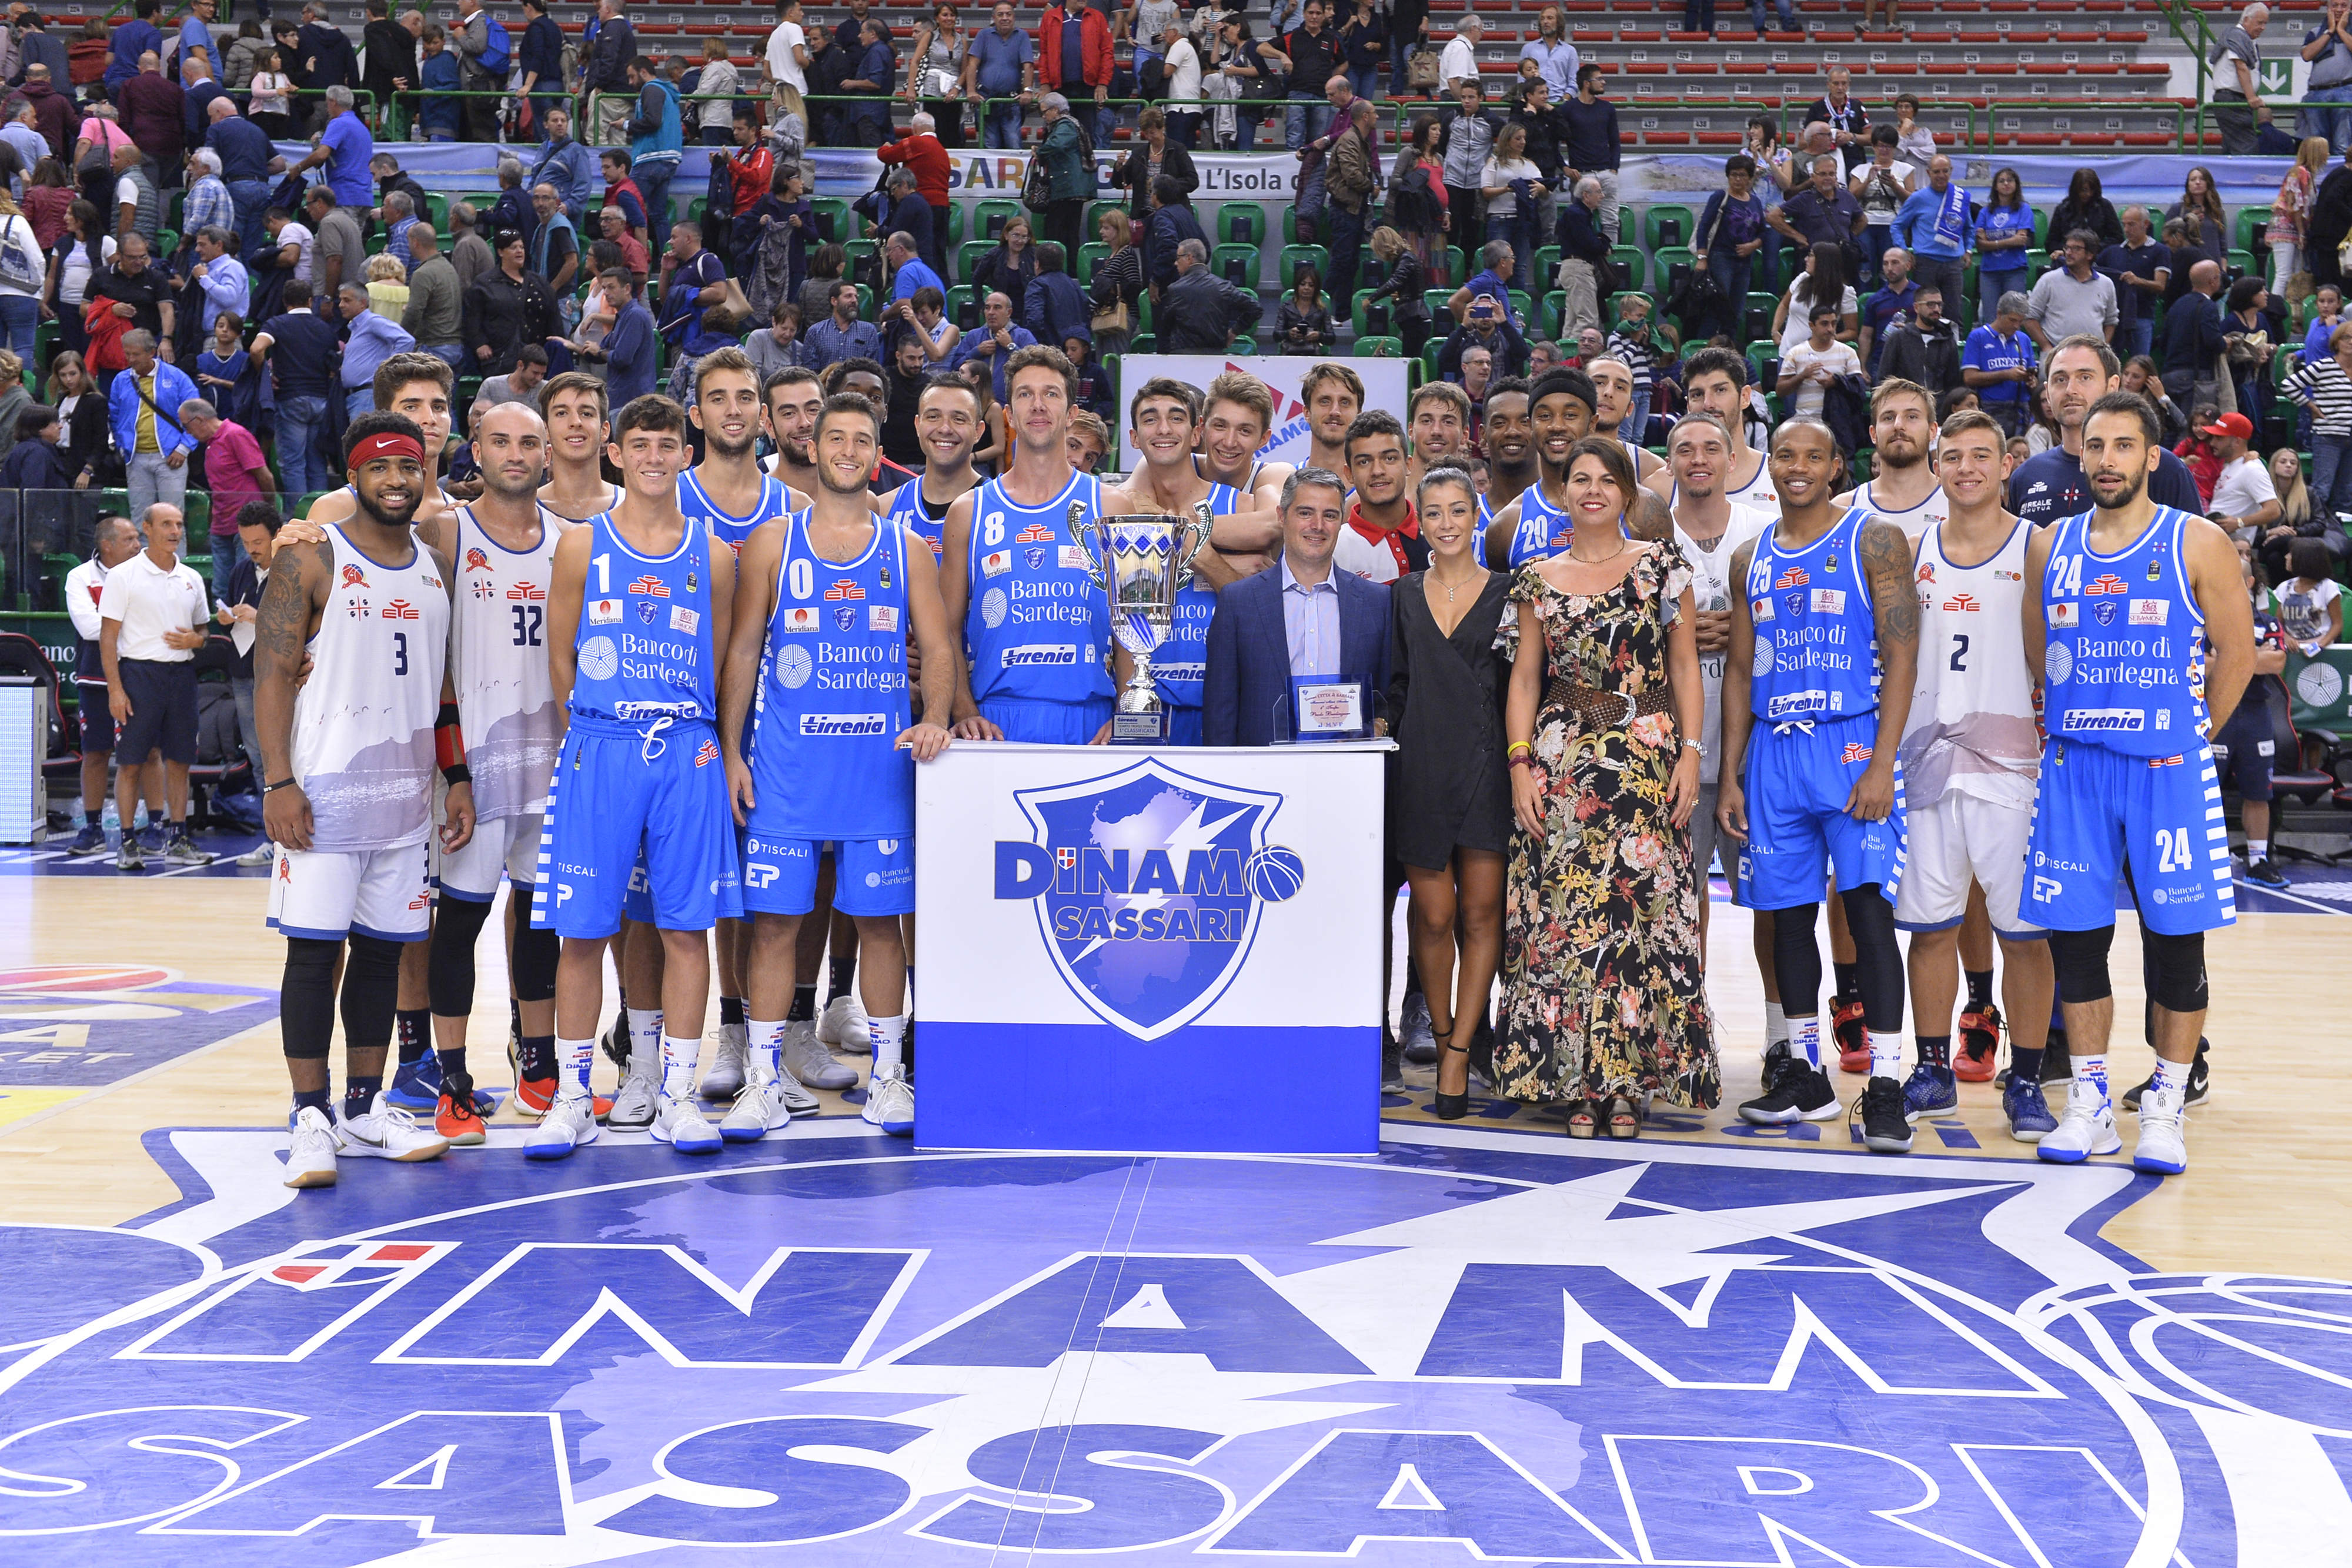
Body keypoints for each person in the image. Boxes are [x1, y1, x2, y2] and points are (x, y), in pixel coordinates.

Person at [2023, 393, 2254, 1175]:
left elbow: (2238, 656)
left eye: (2125, 445)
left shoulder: (2199, 540)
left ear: (2153, 457)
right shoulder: (2050, 543)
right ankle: (2087, 1101)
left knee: (2175, 948)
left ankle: (2165, 1099)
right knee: (2078, 945)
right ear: (2079, 453)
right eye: (2096, 445)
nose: (2108, 459)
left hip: (2165, 772)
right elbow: (2038, 647)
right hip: (2076, 768)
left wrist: (2191, 740)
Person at [720, 389, 953, 1141]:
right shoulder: (772, 542)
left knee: (882, 926)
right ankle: (762, 1080)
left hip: (875, 775)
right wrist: (730, 751)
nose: (848, 451)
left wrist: (936, 720)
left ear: (875, 452)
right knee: (775, 928)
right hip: (787, 773)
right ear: (811, 449)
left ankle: (888, 1080)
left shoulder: (906, 545)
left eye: (862, 440)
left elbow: (939, 647)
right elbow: (745, 652)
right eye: (836, 439)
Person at [527, 394, 739, 1161]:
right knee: (583, 932)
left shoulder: (713, 556)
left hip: (685, 749)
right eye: (640, 443)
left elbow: (719, 662)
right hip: (601, 745)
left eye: (667, 444)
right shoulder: (584, 545)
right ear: (616, 453)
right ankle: (575, 1095)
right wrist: (587, 730)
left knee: (685, 927)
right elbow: (560, 653)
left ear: (688, 454)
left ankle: (678, 1094)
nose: (654, 456)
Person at [254, 416, 458, 1186]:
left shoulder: (437, 564)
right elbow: (271, 676)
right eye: (381, 468)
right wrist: (279, 781)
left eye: (410, 465)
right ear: (355, 473)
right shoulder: (310, 556)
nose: (397, 479)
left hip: (407, 808)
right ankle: (310, 1114)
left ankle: (366, 1105)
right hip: (322, 802)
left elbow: (441, 687)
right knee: (313, 955)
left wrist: (457, 776)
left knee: (379, 956)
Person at [1495, 434, 1714, 1136]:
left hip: (1646, 770)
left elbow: (1684, 668)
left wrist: (1690, 756)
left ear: (1628, 493)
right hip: (1560, 778)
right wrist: (1520, 764)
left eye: (1605, 479)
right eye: (1578, 478)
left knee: (1638, 925)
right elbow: (1525, 678)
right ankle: (1579, 1084)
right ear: (1561, 493)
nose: (1591, 489)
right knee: (1564, 927)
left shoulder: (1660, 567)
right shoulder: (1533, 577)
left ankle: (1628, 1084)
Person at [1718, 419, 1917, 1148]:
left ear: (1837, 465)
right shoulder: (1750, 558)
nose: (1797, 468)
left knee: (1865, 913)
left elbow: (1902, 657)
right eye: (1785, 456)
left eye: (1812, 456)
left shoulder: (1873, 539)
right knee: (1786, 916)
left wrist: (1879, 762)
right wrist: (1733, 776)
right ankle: (1806, 1075)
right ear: (1770, 466)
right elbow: (1739, 671)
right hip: (1775, 751)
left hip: (1851, 740)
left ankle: (1887, 1085)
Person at [1879, 409, 2059, 1138]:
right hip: (1928, 764)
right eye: (1951, 457)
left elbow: (2052, 661)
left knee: (2023, 934)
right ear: (1935, 465)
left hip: (2013, 767)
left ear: (2006, 463)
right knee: (1928, 928)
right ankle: (1932, 1069)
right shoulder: (1910, 552)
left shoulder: (2036, 546)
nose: (1965, 469)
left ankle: (2026, 1077)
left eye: (1980, 456)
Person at [1381, 460, 1508, 1117]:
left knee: (1482, 914)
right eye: (1434, 512)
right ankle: (1442, 1026)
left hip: (1488, 772)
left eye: (1458, 510)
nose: (1447, 523)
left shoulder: (1510, 592)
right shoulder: (1400, 596)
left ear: (1475, 512)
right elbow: (1394, 688)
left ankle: (1460, 1049)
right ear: (1418, 519)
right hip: (1422, 771)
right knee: (1432, 914)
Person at [937, 345, 1135, 743]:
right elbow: (945, 631)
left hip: (1092, 722)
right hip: (994, 722)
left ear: (1072, 413)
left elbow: (1132, 628)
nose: (1038, 405)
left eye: (1051, 393)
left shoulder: (1110, 506)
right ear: (1009, 414)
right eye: (1025, 394)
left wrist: (1129, 714)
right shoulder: (969, 511)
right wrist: (963, 710)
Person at [213, 500, 281, 866]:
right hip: (243, 673)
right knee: (257, 757)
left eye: (258, 541)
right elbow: (228, 608)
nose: (252, 548)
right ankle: (271, 836)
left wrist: (261, 616)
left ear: (276, 535)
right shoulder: (242, 570)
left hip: (281, 675)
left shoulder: (291, 568)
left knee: (285, 752)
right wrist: (226, 617)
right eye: (246, 541)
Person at [108, 327, 196, 520]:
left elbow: (197, 416)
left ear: (152, 352)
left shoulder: (177, 377)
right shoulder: (121, 380)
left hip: (170, 457)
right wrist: (123, 447)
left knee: (172, 519)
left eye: (136, 354)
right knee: (140, 519)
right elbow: (114, 417)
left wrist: (184, 448)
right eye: (127, 354)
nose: (130, 359)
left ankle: (176, 552)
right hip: (136, 459)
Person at [1694, 153, 1768, 345]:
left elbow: (1763, 233)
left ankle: (1729, 351)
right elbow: (1704, 228)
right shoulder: (1720, 197)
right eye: (1734, 175)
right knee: (1717, 308)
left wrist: (1753, 246)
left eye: (1742, 175)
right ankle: (1703, 347)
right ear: (1728, 176)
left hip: (1745, 262)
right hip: (1721, 258)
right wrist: (1702, 257)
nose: (1738, 179)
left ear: (1750, 178)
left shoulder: (1755, 201)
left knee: (1736, 311)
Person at [1892, 155, 1971, 331]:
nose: (1941, 175)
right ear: (1928, 173)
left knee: (1953, 313)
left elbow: (1969, 229)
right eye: (1936, 172)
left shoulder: (1960, 197)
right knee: (1925, 313)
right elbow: (1897, 226)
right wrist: (1904, 251)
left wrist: (1969, 250)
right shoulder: (1917, 198)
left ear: (1951, 171)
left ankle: (1953, 353)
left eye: (1945, 171)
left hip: (1953, 264)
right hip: (1926, 263)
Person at [1157, 236, 1261, 352]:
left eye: (1178, 258)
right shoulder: (1224, 287)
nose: (1176, 263)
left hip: (1183, 358)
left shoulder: (1175, 290)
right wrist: (1235, 331)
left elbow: (1164, 330)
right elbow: (1255, 308)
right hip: (1215, 357)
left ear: (1189, 258)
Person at [2099, 206, 2171, 363]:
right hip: (2113, 318)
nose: (2126, 229)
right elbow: (2089, 268)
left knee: (2140, 364)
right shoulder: (2112, 252)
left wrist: (2137, 281)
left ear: (2145, 224)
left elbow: (2161, 286)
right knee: (2107, 362)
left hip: (2142, 316)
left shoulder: (2160, 251)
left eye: (2131, 224)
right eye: (2124, 224)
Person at [1962, 290, 2037, 437]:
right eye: (2012, 320)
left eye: (2020, 322)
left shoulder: (2024, 339)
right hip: (1991, 407)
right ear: (1999, 314)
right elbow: (1969, 378)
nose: (2017, 326)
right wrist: (2007, 375)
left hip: (2021, 409)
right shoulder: (1978, 337)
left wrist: (2032, 381)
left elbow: (2033, 377)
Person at [1775, 303, 1859, 423]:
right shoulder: (1795, 353)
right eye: (1824, 324)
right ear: (1811, 325)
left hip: (1839, 424)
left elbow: (1859, 387)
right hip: (1805, 422)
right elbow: (1780, 391)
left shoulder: (1848, 352)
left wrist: (1836, 382)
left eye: (1834, 323)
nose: (1830, 329)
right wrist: (1802, 376)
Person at [2212, 3, 2269, 156]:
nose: (2263, 27)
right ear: (2246, 20)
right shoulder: (2237, 36)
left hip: (2236, 100)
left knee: (2232, 147)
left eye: (2265, 23)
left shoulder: (2246, 39)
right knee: (2247, 146)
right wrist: (2251, 97)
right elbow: (2241, 67)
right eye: (2260, 23)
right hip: (2232, 100)